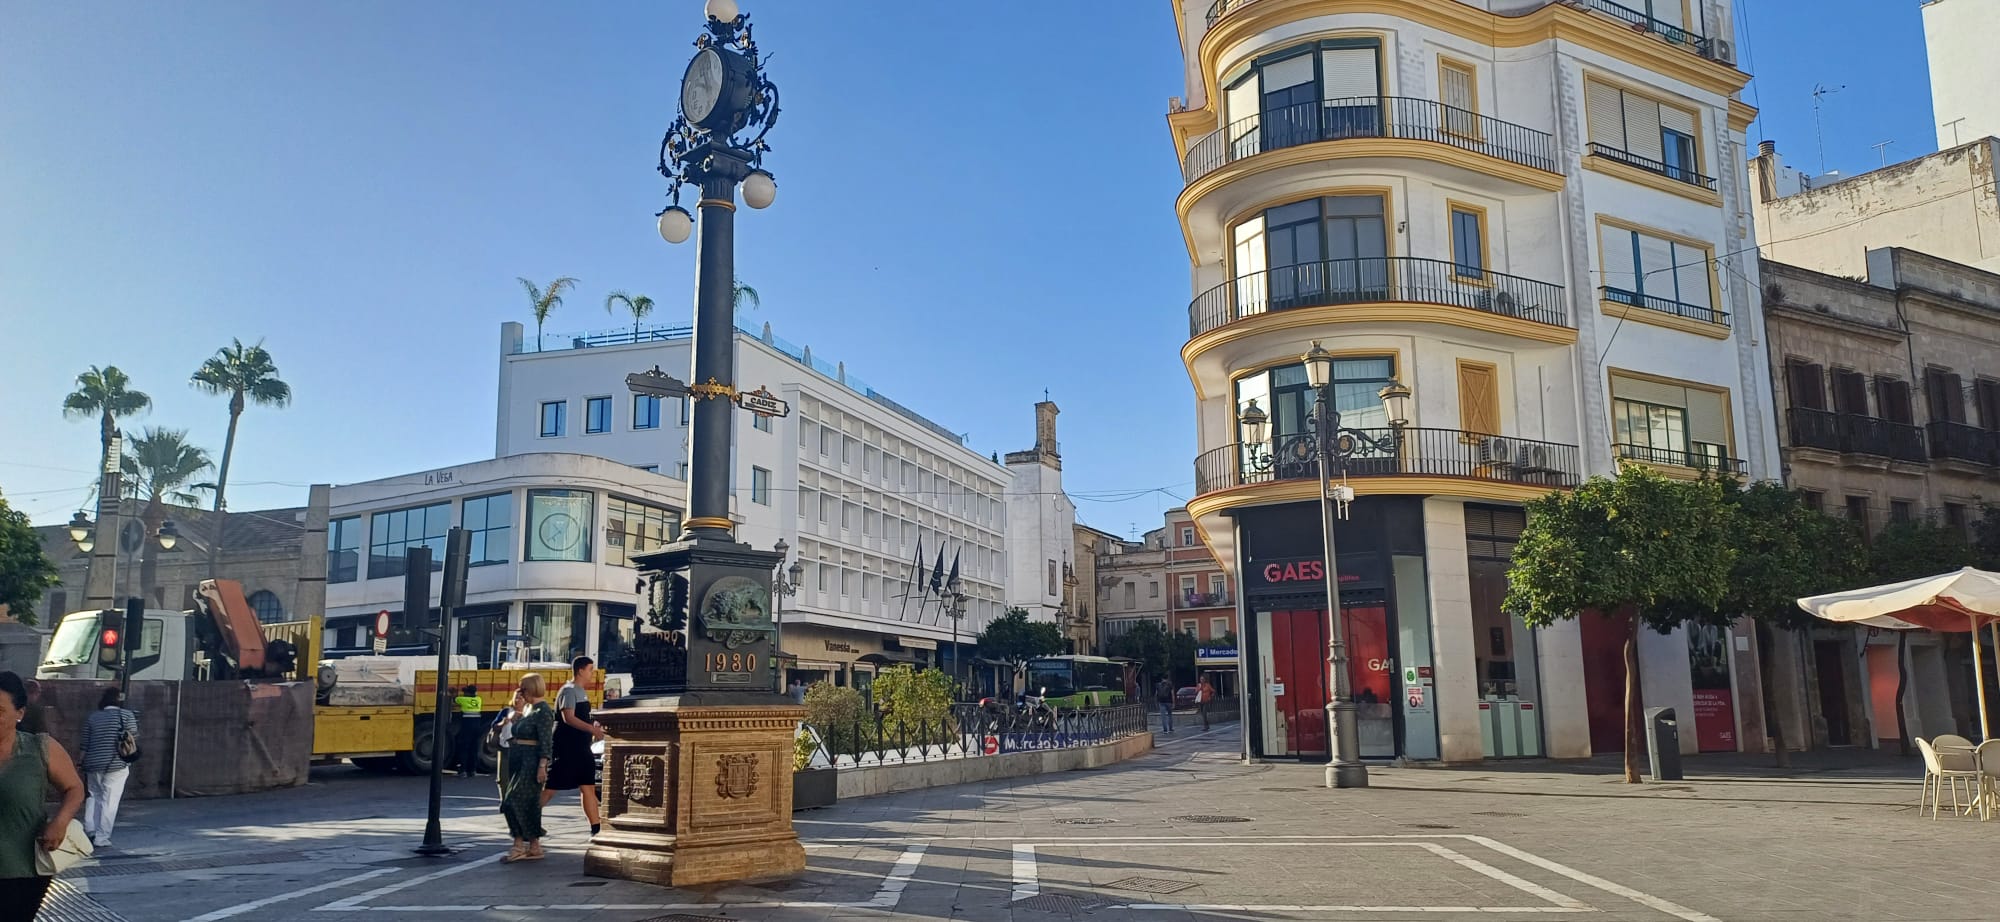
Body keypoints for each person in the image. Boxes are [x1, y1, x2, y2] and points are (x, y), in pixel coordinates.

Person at [0, 671, 85, 917]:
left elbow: (74, 788)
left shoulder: (40, 749)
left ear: (20, 714)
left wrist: (60, 822)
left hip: (21, 871)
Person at [541, 656, 606, 836]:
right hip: (567, 747)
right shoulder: (568, 691)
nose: (592, 673)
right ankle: (528, 817)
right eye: (590, 669)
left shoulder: (581, 691)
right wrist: (592, 730)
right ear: (580, 671)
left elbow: (582, 716)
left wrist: (593, 726)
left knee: (588, 786)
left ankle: (596, 827)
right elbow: (568, 717)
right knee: (551, 786)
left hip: (581, 747)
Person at [499, 674, 554, 863]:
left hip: (531, 761)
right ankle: (533, 845)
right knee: (528, 803)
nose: (520, 691)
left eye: (523, 688)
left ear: (531, 689)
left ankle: (518, 844)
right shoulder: (529, 709)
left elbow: (546, 741)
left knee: (512, 801)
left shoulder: (543, 711)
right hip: (519, 759)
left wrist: (542, 765)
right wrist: (517, 711)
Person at [79, 687, 139, 848]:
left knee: (94, 796)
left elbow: (84, 744)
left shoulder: (93, 717)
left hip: (92, 763)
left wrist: (80, 762)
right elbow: (133, 737)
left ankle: (90, 828)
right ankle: (102, 836)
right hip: (116, 763)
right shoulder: (126, 715)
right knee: (110, 800)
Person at [453, 685, 484, 779]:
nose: (464, 693)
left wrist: (454, 693)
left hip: (467, 726)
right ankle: (472, 771)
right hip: (477, 726)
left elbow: (455, 699)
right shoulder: (479, 699)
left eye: (465, 692)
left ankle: (462, 771)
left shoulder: (463, 700)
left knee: (464, 748)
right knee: (474, 748)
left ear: (468, 693)